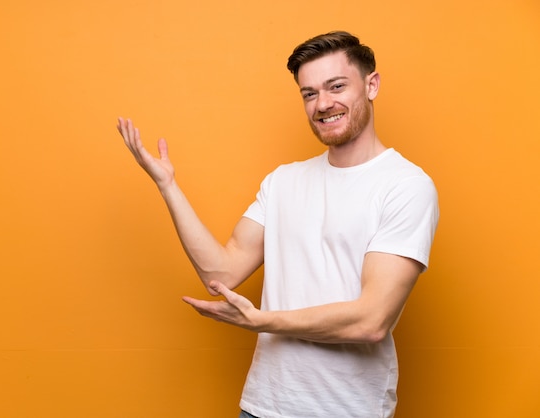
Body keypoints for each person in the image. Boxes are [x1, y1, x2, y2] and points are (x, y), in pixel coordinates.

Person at [117, 30, 439, 418]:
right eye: (309, 93)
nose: (323, 103)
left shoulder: (405, 185)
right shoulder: (284, 180)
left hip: (348, 410)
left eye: (336, 86)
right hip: (262, 407)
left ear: (371, 85)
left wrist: (261, 322)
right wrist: (167, 185)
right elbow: (222, 269)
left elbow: (372, 320)